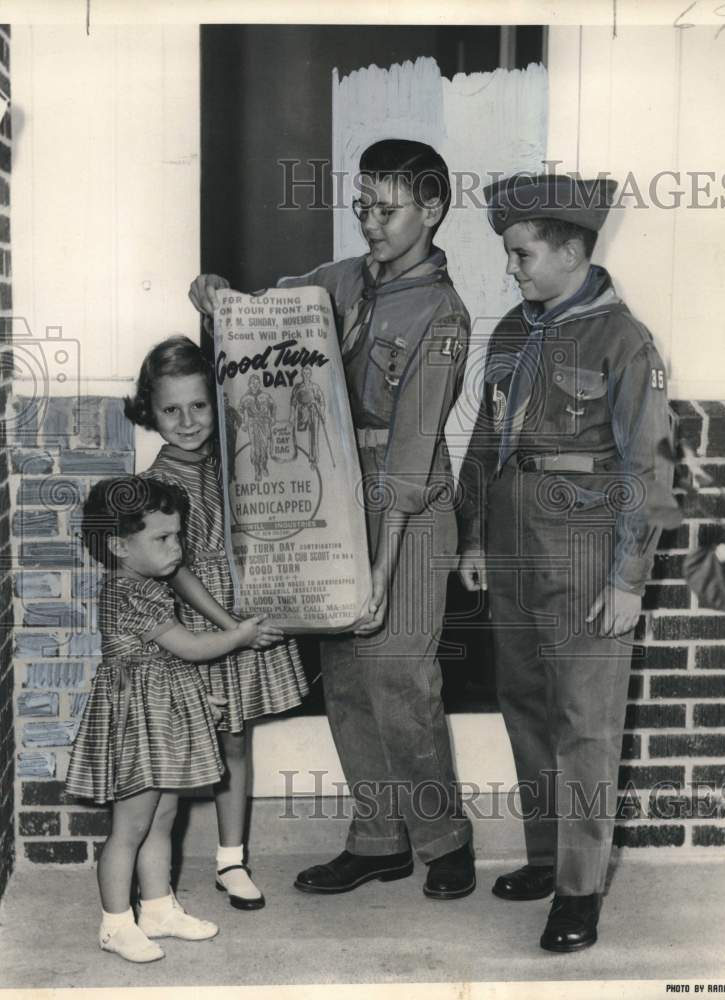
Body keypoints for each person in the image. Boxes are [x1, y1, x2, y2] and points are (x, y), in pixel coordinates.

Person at [189, 138, 475, 899]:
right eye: (363, 207)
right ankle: (378, 839)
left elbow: (414, 450)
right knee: (346, 680)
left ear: (433, 209)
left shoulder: (442, 314)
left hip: (403, 505)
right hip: (329, 493)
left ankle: (445, 841)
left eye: (387, 210)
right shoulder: (333, 282)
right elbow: (259, 322)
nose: (371, 224)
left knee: (400, 677)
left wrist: (377, 571)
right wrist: (217, 298)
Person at [458, 173, 677, 951]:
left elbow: (647, 471)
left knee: (584, 722)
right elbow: (487, 442)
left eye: (521, 254)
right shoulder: (513, 334)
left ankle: (579, 891)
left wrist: (627, 579)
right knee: (524, 704)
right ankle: (546, 857)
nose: (511, 268)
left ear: (573, 250)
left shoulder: (624, 341)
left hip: (585, 552)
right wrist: (474, 535)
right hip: (514, 540)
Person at [124, 337, 309, 911]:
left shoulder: (233, 462)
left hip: (241, 613)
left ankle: (232, 861)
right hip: (198, 624)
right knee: (178, 752)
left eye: (199, 406)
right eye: (171, 410)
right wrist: (233, 627)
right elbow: (176, 572)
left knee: (234, 742)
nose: (187, 421)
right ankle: (153, 876)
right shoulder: (156, 482)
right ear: (150, 414)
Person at [65, 476, 265, 963]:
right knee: (130, 827)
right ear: (119, 547)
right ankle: (115, 923)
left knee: (164, 818)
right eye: (162, 538)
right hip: (139, 722)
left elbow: (167, 663)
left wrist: (200, 702)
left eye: (177, 535)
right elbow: (191, 649)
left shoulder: (147, 584)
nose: (176, 547)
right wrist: (238, 635)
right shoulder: (126, 592)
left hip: (161, 716)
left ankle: (156, 908)